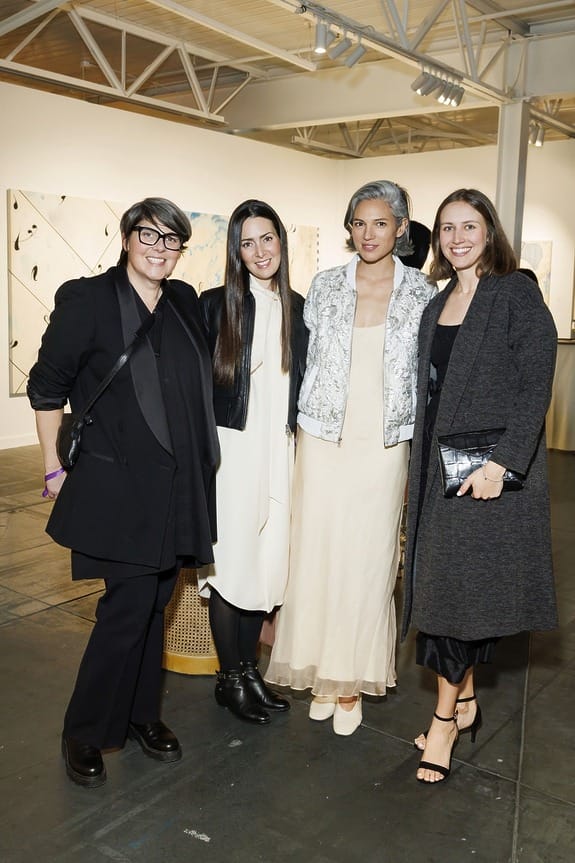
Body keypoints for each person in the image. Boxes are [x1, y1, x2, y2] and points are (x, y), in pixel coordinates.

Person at [27, 197, 219, 788]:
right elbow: (46, 389)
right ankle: (83, 731)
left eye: (172, 241)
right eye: (149, 236)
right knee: (127, 609)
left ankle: (141, 716)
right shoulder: (86, 299)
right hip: (119, 486)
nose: (160, 249)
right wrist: (53, 467)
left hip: (176, 486)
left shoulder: (183, 301)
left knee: (156, 607)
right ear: (127, 237)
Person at [265, 180, 437, 735]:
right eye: (359, 223)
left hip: (384, 441)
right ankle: (321, 674)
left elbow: (433, 372)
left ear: (401, 228)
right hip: (321, 437)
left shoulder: (422, 292)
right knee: (315, 554)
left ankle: (351, 685)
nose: (368, 234)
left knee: (369, 560)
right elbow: (303, 359)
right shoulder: (325, 285)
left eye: (381, 223)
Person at [401, 188, 558, 784]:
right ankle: (464, 703)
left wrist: (504, 464)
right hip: (435, 473)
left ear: (489, 233)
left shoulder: (515, 292)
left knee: (455, 603)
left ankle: (442, 721)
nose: (457, 238)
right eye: (447, 228)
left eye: (469, 226)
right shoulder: (434, 305)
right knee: (447, 596)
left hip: (484, 474)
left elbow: (536, 382)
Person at [198, 199, 308, 724]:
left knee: (266, 567)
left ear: (281, 242)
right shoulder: (216, 304)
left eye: (267, 238)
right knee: (232, 567)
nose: (259, 251)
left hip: (278, 449)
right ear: (236, 251)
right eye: (248, 242)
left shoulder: (299, 309)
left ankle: (249, 670)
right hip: (234, 452)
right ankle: (231, 679)